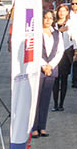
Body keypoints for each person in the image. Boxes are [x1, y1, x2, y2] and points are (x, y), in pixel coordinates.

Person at [32, 10, 64, 138]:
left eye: (50, 18)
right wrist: (43, 65)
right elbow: (34, 51)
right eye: (45, 18)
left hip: (51, 69)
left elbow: (60, 51)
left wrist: (51, 65)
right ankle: (34, 127)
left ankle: (42, 127)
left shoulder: (57, 34)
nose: (48, 20)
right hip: (39, 69)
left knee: (45, 99)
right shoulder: (36, 33)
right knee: (36, 99)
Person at [52, 4, 75, 112]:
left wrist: (76, 51)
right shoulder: (53, 24)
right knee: (55, 79)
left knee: (64, 78)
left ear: (67, 12)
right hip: (54, 53)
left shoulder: (71, 23)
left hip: (66, 53)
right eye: (60, 11)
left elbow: (74, 38)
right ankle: (55, 103)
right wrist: (59, 31)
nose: (61, 13)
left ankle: (61, 103)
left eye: (64, 11)